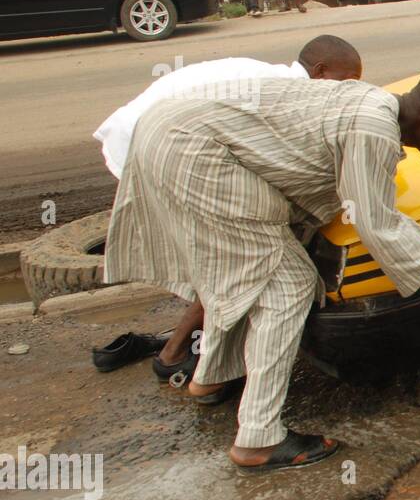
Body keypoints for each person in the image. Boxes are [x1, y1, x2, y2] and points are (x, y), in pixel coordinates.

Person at [103, 63, 420, 471]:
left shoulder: (373, 103)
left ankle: (211, 377)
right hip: (191, 151)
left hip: (172, 133)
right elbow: (376, 222)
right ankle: (258, 441)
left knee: (247, 273)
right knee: (287, 286)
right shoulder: (374, 130)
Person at [91, 36, 363, 383]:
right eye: (347, 83)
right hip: (158, 149)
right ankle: (178, 356)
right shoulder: (284, 93)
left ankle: (180, 346)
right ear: (321, 71)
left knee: (220, 260)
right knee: (236, 260)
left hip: (148, 139)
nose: (349, 93)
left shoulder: (271, 76)